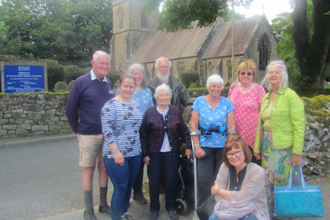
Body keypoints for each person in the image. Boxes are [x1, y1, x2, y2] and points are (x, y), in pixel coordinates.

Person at [254, 60, 305, 220]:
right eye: (271, 72)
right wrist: (257, 147)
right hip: (267, 147)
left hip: (284, 149)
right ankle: (270, 214)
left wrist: (297, 152)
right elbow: (260, 124)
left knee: (282, 182)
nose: (273, 75)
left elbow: (299, 126)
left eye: (277, 72)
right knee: (267, 183)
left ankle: (285, 215)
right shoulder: (267, 96)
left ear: (284, 75)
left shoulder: (291, 96)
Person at [66, 51, 114, 220]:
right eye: (101, 63)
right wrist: (78, 130)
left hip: (106, 134)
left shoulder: (108, 82)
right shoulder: (81, 83)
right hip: (88, 134)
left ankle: (102, 204)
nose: (105, 66)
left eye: (107, 63)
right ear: (93, 63)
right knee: (89, 170)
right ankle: (88, 210)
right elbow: (70, 110)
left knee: (103, 168)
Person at [140, 84, 192, 220]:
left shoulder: (175, 111)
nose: (164, 97)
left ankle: (171, 206)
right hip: (154, 154)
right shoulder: (150, 112)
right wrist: (145, 154)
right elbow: (143, 135)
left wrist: (188, 147)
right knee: (154, 182)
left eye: (166, 95)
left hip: (171, 153)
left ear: (170, 97)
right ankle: (154, 209)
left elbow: (185, 131)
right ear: (156, 98)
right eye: (161, 95)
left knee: (171, 181)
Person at [190, 74, 236, 208]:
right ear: (208, 87)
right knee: (203, 180)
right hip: (204, 147)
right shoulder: (199, 102)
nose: (216, 89)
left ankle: (219, 208)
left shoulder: (227, 103)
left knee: (221, 180)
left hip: (222, 146)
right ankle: (202, 209)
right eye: (213, 86)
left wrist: (230, 147)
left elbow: (231, 127)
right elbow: (194, 126)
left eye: (219, 86)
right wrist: (197, 146)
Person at [101, 74, 143, 220]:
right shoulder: (110, 106)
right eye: (125, 86)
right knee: (120, 188)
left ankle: (124, 213)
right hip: (116, 154)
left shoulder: (136, 104)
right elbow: (107, 131)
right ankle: (116, 216)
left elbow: (137, 128)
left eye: (131, 86)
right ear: (119, 87)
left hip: (135, 153)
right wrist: (116, 152)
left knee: (128, 187)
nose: (128, 89)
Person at [116, 63, 153, 204]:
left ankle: (138, 192)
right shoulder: (125, 90)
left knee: (140, 164)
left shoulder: (147, 92)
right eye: (135, 74)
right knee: (127, 164)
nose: (137, 76)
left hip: (144, 133)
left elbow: (150, 111)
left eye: (140, 73)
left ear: (143, 76)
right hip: (127, 133)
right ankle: (124, 194)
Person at [209, 135, 270, 220]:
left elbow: (243, 196)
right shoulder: (224, 167)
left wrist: (219, 191)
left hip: (253, 211)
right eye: (229, 154)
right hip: (228, 209)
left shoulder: (257, 171)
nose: (233, 157)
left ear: (244, 152)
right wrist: (233, 206)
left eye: (237, 152)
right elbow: (218, 197)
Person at [228, 60, 266, 165]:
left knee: (253, 166)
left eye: (249, 73)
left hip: (252, 136)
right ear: (238, 74)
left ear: (253, 75)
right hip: (235, 135)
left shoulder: (259, 90)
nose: (246, 75)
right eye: (243, 73)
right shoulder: (233, 87)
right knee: (237, 165)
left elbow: (264, 114)